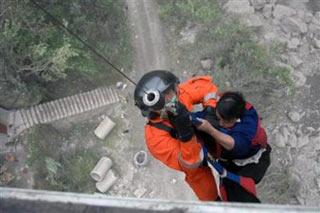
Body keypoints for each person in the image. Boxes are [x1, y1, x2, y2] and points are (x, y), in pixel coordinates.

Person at [134, 70, 220, 201]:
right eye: (161, 98)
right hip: (197, 167)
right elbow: (190, 164)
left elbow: (208, 88)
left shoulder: (181, 95)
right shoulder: (154, 138)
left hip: (206, 138)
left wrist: (211, 112)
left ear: (176, 89)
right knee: (211, 200)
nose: (167, 100)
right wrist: (185, 135)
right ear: (150, 110)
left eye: (168, 93)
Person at [195, 91, 271, 202]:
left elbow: (231, 143)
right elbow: (225, 98)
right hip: (233, 159)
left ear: (235, 119)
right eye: (219, 118)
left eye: (224, 121)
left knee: (235, 193)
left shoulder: (246, 134)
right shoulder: (238, 105)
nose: (220, 123)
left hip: (250, 165)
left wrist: (210, 130)